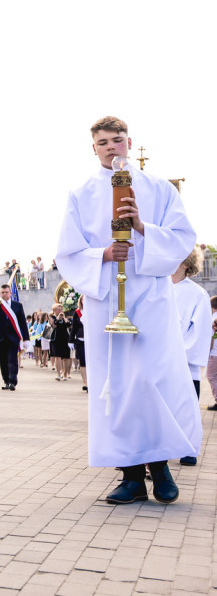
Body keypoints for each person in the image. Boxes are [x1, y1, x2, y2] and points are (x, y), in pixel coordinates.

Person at [56, 115, 199, 505]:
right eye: (102, 142)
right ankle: (131, 476)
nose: (111, 147)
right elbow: (66, 252)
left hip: (150, 296)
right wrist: (101, 254)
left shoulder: (157, 188)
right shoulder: (81, 194)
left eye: (117, 140)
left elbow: (184, 237)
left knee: (153, 379)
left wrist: (142, 228)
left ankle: (162, 468)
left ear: (129, 142)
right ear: (94, 148)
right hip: (105, 299)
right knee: (117, 386)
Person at [172, 248, 210, 466]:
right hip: (161, 359)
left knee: (187, 407)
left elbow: (201, 331)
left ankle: (188, 448)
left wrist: (179, 353)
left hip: (185, 362)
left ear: (186, 264)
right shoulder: (159, 289)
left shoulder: (197, 294)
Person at [0, 283, 30, 390]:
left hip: (13, 337)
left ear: (11, 293)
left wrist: (26, 338)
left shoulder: (17, 305)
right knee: (3, 360)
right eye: (2, 292)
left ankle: (13, 381)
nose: (4, 294)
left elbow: (22, 322)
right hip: (0, 336)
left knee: (12, 359)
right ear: (0, 293)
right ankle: (6, 381)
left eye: (6, 292)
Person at [48, 304, 72, 380]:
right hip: (56, 339)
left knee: (66, 357)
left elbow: (69, 325)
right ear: (55, 310)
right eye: (58, 309)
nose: (60, 311)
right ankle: (58, 373)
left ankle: (65, 374)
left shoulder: (65, 317)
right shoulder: (52, 317)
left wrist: (64, 318)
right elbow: (53, 325)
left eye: (61, 309)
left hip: (65, 338)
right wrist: (58, 318)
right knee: (58, 356)